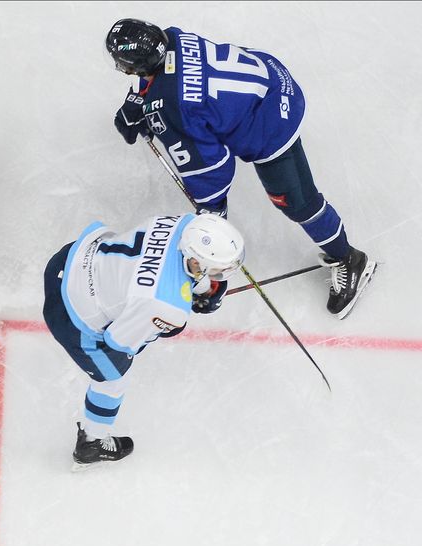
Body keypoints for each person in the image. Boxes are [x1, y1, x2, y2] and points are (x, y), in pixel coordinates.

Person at [105, 18, 376, 319]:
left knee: (296, 201)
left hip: (273, 122)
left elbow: (212, 168)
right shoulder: (173, 38)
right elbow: (167, 77)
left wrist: (212, 216)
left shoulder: (172, 107)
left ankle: (350, 258)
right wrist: (142, 101)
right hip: (271, 77)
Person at [44, 212, 244, 468]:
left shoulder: (182, 222)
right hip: (69, 310)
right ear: (196, 261)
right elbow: (119, 342)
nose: (222, 274)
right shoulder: (167, 307)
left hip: (71, 258)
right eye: (218, 270)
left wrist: (203, 289)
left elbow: (169, 264)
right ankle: (91, 444)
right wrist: (171, 320)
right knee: (113, 376)